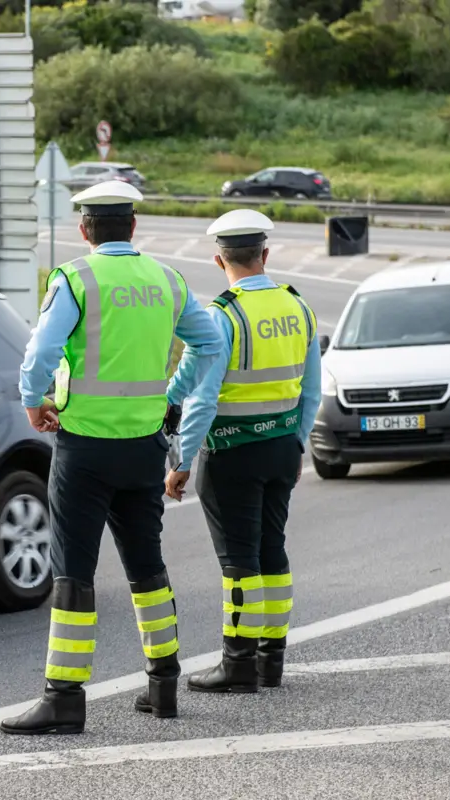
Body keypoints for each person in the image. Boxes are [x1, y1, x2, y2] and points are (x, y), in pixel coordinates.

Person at [0, 180, 227, 735]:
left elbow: (42, 350)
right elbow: (210, 344)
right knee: (147, 565)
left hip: (84, 448)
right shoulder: (166, 279)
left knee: (74, 571)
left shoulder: (76, 279)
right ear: (133, 227)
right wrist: (171, 394)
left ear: (85, 229)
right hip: (144, 447)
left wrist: (33, 400)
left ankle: (64, 698)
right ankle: (163, 685)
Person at [163, 208, 322, 695]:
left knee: (239, 561)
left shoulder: (224, 314)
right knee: (272, 552)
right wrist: (297, 442)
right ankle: (271, 662)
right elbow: (312, 391)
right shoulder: (298, 306)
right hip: (282, 449)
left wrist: (182, 460)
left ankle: (237, 664)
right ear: (265, 254)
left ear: (219, 260)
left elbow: (204, 399)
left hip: (232, 453)